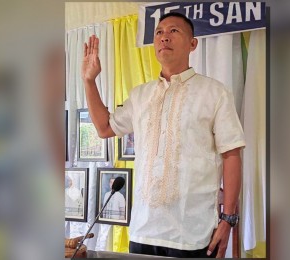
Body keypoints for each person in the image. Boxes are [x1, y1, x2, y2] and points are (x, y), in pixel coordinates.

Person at [82, 12, 245, 258]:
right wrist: (89, 81)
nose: (164, 37)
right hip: (142, 232)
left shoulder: (215, 93)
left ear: (193, 44)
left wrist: (228, 219)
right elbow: (105, 128)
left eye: (173, 31)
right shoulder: (140, 95)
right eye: (159, 32)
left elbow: (232, 154)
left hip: (194, 235)